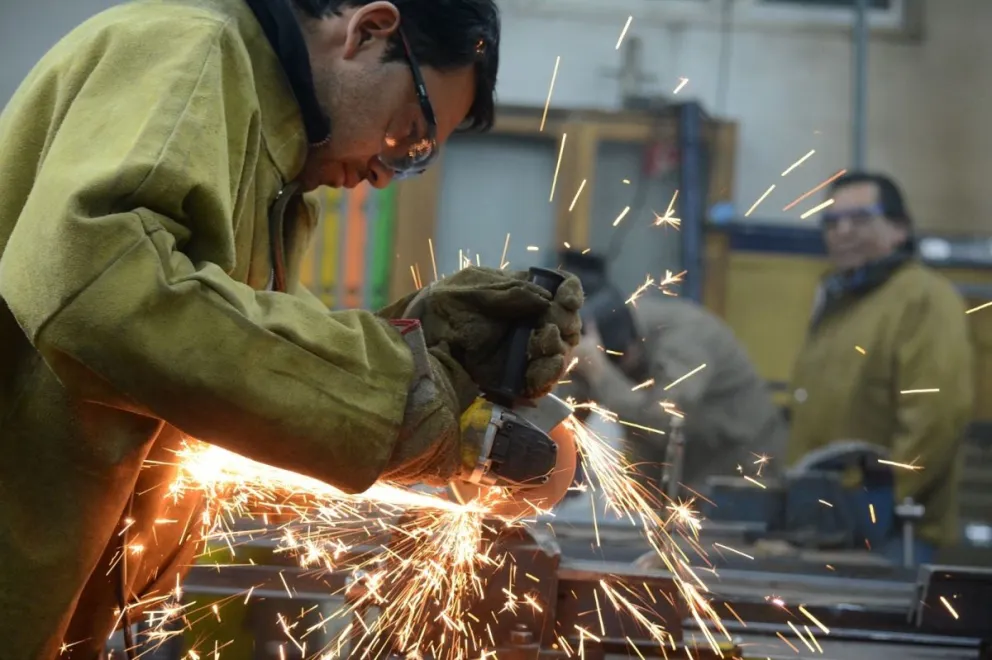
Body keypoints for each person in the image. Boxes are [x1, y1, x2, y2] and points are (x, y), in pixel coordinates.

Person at [0, 0, 583, 657]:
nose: (384, 175)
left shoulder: (271, 167)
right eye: (408, 135)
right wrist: (399, 398)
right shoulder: (191, 52)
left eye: (415, 160)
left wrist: (423, 345)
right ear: (368, 31)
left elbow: (214, 357)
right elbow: (100, 288)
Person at [787, 172, 973, 564]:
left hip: (891, 528)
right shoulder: (839, 298)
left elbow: (935, 414)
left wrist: (888, 497)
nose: (843, 231)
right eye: (832, 221)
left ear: (899, 228)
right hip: (831, 516)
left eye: (861, 218)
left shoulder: (923, 298)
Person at [568, 285, 787, 496]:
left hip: (745, 472)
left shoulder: (686, 341)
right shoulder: (623, 339)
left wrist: (600, 372)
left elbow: (663, 424)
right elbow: (575, 410)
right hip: (695, 468)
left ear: (630, 352)